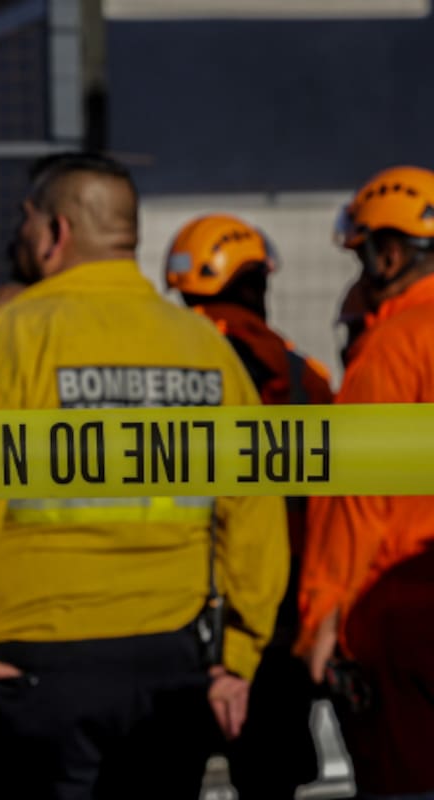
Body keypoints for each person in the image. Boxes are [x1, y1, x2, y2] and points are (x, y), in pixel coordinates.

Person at [0, 152, 289, 800]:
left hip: (35, 667)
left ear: (56, 233)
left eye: (26, 221)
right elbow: (253, 510)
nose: (19, 235)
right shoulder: (204, 348)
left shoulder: (12, 339)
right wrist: (241, 655)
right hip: (173, 665)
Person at [165, 213, 332, 799]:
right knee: (269, 778)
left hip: (177, 612)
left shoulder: (164, 369)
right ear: (256, 284)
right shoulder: (303, 378)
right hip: (276, 614)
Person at [297, 164, 434, 798]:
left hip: (402, 618)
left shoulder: (395, 347)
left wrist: (326, 616)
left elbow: (356, 497)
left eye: (362, 257)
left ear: (390, 254)